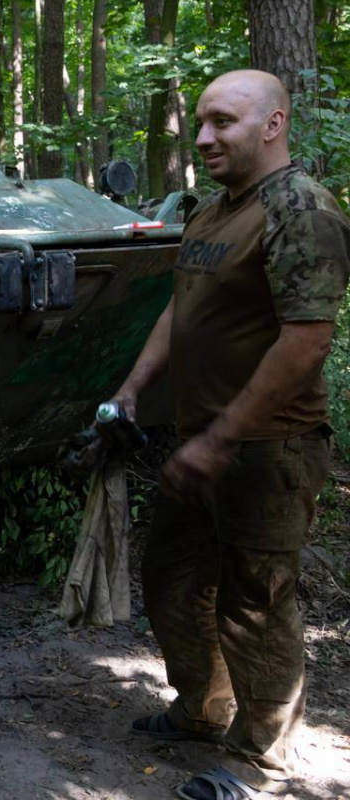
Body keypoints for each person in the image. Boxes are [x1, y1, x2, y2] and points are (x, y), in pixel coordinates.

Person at [110, 69, 350, 800]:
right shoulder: (214, 213)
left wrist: (221, 440)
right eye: (203, 124)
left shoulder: (301, 209)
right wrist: (130, 390)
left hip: (267, 449)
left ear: (272, 125)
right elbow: (178, 315)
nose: (205, 138)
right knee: (173, 579)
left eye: (224, 123)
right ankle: (203, 709)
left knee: (257, 603)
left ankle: (262, 760)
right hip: (199, 445)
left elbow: (307, 340)